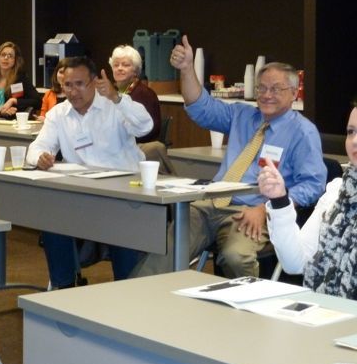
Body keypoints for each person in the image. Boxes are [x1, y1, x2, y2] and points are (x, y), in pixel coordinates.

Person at [130, 35, 326, 278]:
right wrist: (187, 69)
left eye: (276, 89)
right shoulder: (242, 115)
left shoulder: (302, 132)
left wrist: (267, 209)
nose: (267, 94)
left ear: (294, 92)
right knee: (167, 250)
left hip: (252, 211)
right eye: (262, 88)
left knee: (235, 257)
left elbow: (313, 184)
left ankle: (250, 302)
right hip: (211, 203)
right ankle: (134, 298)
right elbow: (200, 106)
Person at [26, 56, 154, 288]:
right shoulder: (58, 114)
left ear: (94, 82)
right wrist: (40, 157)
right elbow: (36, 147)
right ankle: (63, 287)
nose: (73, 91)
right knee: (52, 217)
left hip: (124, 193)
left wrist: (117, 98)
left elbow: (146, 126)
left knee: (122, 230)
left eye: (79, 84)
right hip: (82, 193)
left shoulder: (115, 106)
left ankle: (128, 291)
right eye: (67, 85)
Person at [259, 101, 355, 298]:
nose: (354, 140)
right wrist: (279, 200)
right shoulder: (337, 192)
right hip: (325, 309)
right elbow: (294, 262)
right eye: (351, 132)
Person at [0, 41, 41, 118]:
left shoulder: (21, 79)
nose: (6, 58)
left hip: (12, 122)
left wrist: (13, 101)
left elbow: (37, 102)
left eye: (10, 56)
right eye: (3, 55)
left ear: (15, 60)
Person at [109, 45, 161, 143]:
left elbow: (150, 131)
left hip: (138, 146)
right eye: (116, 65)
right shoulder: (111, 93)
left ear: (136, 71)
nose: (119, 68)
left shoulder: (145, 94)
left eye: (125, 65)